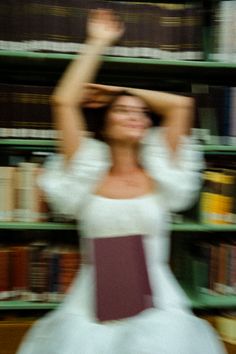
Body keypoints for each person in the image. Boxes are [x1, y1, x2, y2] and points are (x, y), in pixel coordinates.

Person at [17, 9, 226, 354]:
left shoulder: (162, 171)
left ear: (147, 125)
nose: (134, 115)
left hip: (158, 301)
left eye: (141, 112)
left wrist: (121, 91)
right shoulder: (84, 168)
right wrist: (98, 43)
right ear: (105, 123)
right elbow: (63, 101)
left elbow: (180, 106)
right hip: (92, 301)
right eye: (122, 111)